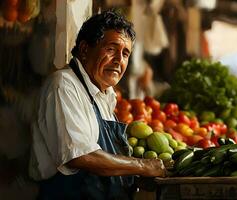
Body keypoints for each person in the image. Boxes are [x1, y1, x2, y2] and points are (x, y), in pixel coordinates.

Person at [29, 10, 166, 200]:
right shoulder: (63, 85)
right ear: (85, 49)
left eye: (125, 53)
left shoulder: (104, 95)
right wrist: (143, 166)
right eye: (111, 49)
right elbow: (79, 156)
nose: (119, 60)